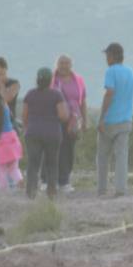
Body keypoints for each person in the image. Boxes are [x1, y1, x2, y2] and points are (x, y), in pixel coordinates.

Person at [22, 67, 69, 200]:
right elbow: (63, 115)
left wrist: (28, 128)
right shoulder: (56, 94)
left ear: (37, 80)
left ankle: (31, 192)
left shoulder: (30, 94)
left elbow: (24, 116)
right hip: (52, 133)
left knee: (33, 164)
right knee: (52, 164)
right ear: (50, 80)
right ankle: (51, 193)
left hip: (33, 133)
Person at [97, 42, 133, 197]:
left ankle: (102, 189)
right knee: (122, 156)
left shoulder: (110, 71)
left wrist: (101, 118)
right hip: (126, 119)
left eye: (107, 55)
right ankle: (121, 189)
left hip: (110, 120)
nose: (106, 58)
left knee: (103, 157)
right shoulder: (131, 72)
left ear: (111, 56)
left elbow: (110, 93)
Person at [47, 55, 87, 193]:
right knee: (56, 150)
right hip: (55, 119)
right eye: (61, 63)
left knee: (69, 150)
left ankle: (65, 180)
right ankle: (55, 181)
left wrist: (85, 121)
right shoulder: (52, 80)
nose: (64, 66)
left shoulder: (79, 80)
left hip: (73, 121)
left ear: (71, 65)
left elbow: (83, 101)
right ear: (56, 64)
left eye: (66, 63)